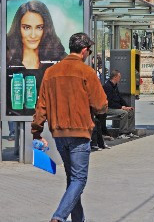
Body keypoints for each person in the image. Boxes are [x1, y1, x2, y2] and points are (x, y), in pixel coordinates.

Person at [32, 33, 108, 222]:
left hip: (58, 133)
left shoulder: (50, 72)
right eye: (89, 50)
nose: (89, 53)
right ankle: (59, 217)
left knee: (72, 180)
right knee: (79, 179)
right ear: (83, 51)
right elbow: (100, 105)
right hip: (79, 133)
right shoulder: (86, 72)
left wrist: (36, 131)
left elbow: (41, 105)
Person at [6, 0, 67, 70]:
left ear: (47, 28)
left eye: (39, 27)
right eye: (27, 27)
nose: (33, 35)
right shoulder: (6, 57)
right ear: (17, 28)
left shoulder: (60, 59)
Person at [103, 70, 139, 139]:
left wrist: (127, 106)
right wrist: (121, 107)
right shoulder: (107, 86)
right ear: (115, 77)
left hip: (115, 107)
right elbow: (109, 102)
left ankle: (129, 131)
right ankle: (122, 133)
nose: (120, 78)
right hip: (108, 108)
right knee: (124, 113)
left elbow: (120, 98)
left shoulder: (115, 86)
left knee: (130, 111)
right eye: (119, 77)